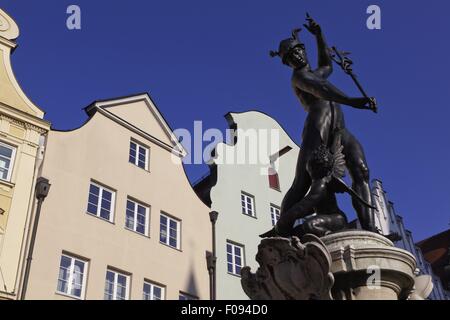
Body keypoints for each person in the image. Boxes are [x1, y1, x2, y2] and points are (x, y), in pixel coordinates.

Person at [270, 14, 378, 233]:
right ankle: (283, 227)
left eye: (298, 51)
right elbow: (323, 89)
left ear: (303, 49)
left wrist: (319, 36)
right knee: (302, 182)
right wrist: (351, 101)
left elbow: (327, 65)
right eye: (290, 57)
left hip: (339, 129)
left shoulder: (314, 73)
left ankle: (370, 228)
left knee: (361, 170)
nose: (296, 57)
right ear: (287, 63)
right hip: (317, 128)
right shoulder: (299, 78)